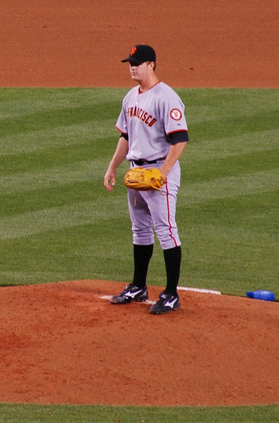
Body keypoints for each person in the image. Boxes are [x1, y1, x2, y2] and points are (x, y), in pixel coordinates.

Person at [103, 44, 189, 315]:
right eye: (130, 62)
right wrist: (112, 167)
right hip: (136, 173)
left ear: (152, 64)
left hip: (159, 172)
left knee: (166, 231)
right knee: (140, 230)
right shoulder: (130, 97)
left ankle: (172, 294)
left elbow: (180, 140)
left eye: (138, 62)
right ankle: (138, 286)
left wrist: (162, 174)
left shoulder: (167, 98)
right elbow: (125, 137)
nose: (132, 66)